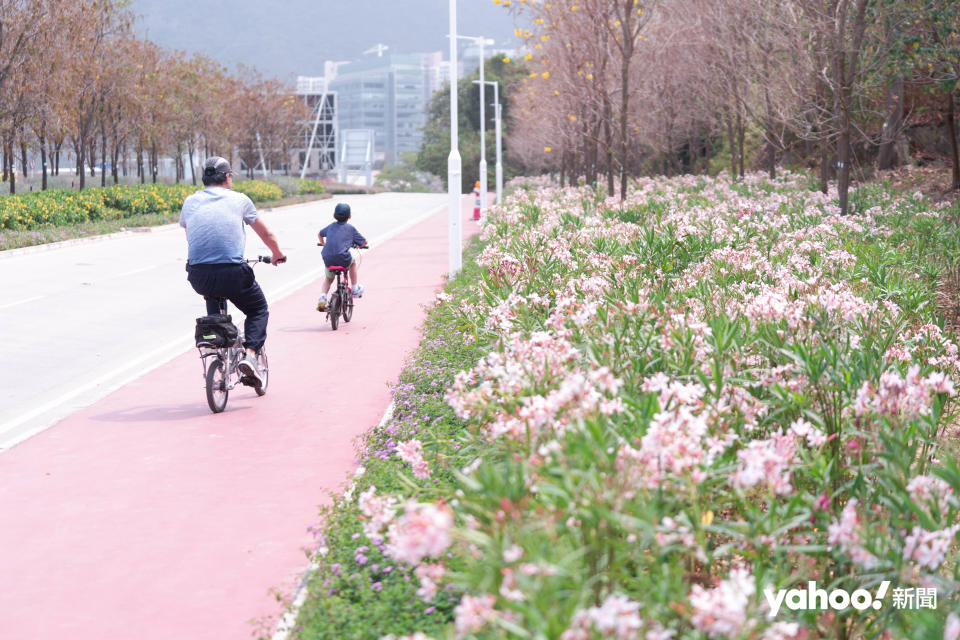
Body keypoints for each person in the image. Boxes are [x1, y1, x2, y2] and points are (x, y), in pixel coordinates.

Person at [179, 156, 286, 388]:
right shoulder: (240, 200)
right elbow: (266, 234)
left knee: (212, 292)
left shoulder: (190, 201)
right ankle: (249, 355)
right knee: (258, 309)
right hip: (232, 272)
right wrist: (277, 253)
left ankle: (216, 346)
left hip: (198, 274)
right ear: (227, 177)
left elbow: (191, 237)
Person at [316, 202, 367, 311]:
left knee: (328, 279)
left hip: (327, 258)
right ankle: (354, 288)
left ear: (334, 215)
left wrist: (323, 243)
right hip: (343, 258)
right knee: (352, 263)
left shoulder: (331, 226)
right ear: (350, 216)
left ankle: (323, 297)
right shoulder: (350, 228)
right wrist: (359, 245)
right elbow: (364, 242)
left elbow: (320, 234)